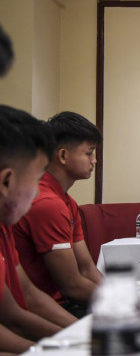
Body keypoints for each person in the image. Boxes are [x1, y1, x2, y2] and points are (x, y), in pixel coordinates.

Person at [14, 111, 103, 318]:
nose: (94, 160)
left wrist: (122, 299)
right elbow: (72, 285)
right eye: (89, 153)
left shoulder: (67, 202)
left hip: (63, 303)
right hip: (43, 309)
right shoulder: (47, 203)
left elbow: (87, 269)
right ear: (63, 156)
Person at [0, 106, 74, 353]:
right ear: (6, 181)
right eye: (36, 179)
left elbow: (19, 305)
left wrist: (81, 339)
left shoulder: (5, 224)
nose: (37, 192)